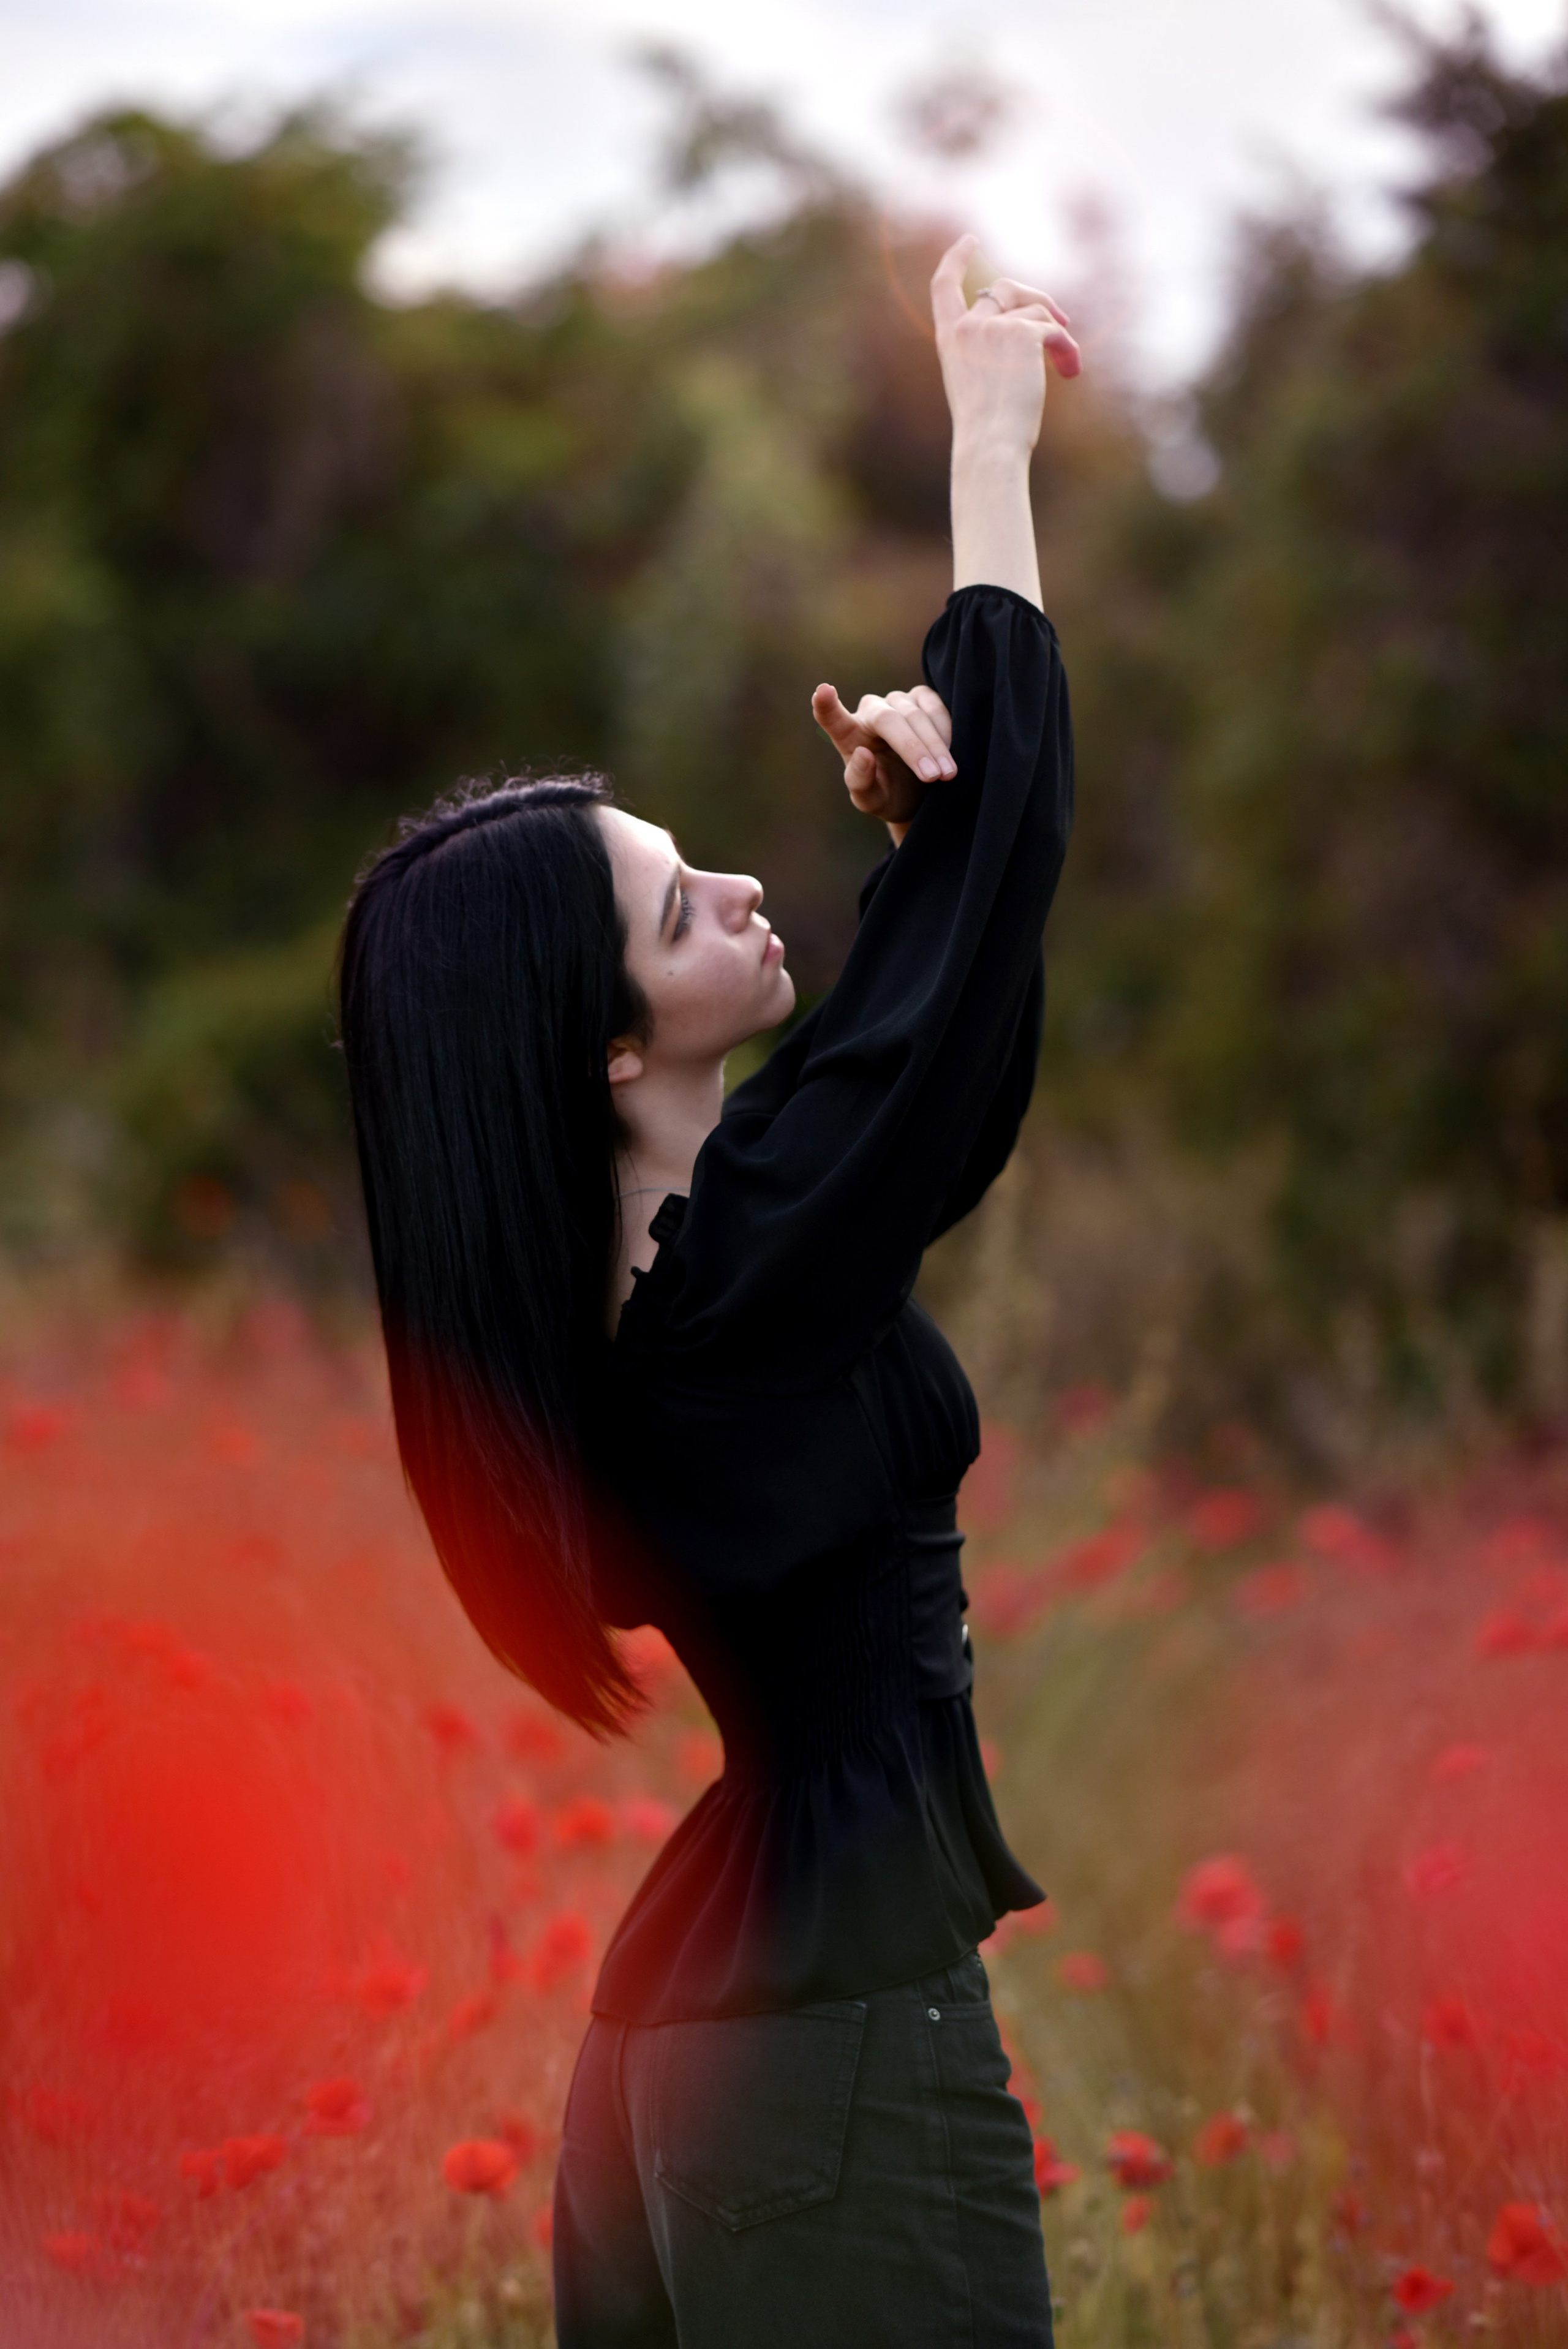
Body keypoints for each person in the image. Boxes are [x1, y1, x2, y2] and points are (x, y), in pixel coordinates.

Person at [337, 230, 1079, 2348]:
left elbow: (935, 1062)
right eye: (682, 901)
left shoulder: (650, 1317)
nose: (743, 883)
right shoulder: (734, 1287)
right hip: (827, 2064)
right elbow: (946, 994)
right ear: (606, 1047)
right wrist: (995, 438)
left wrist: (922, 856)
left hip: (681, 2065)